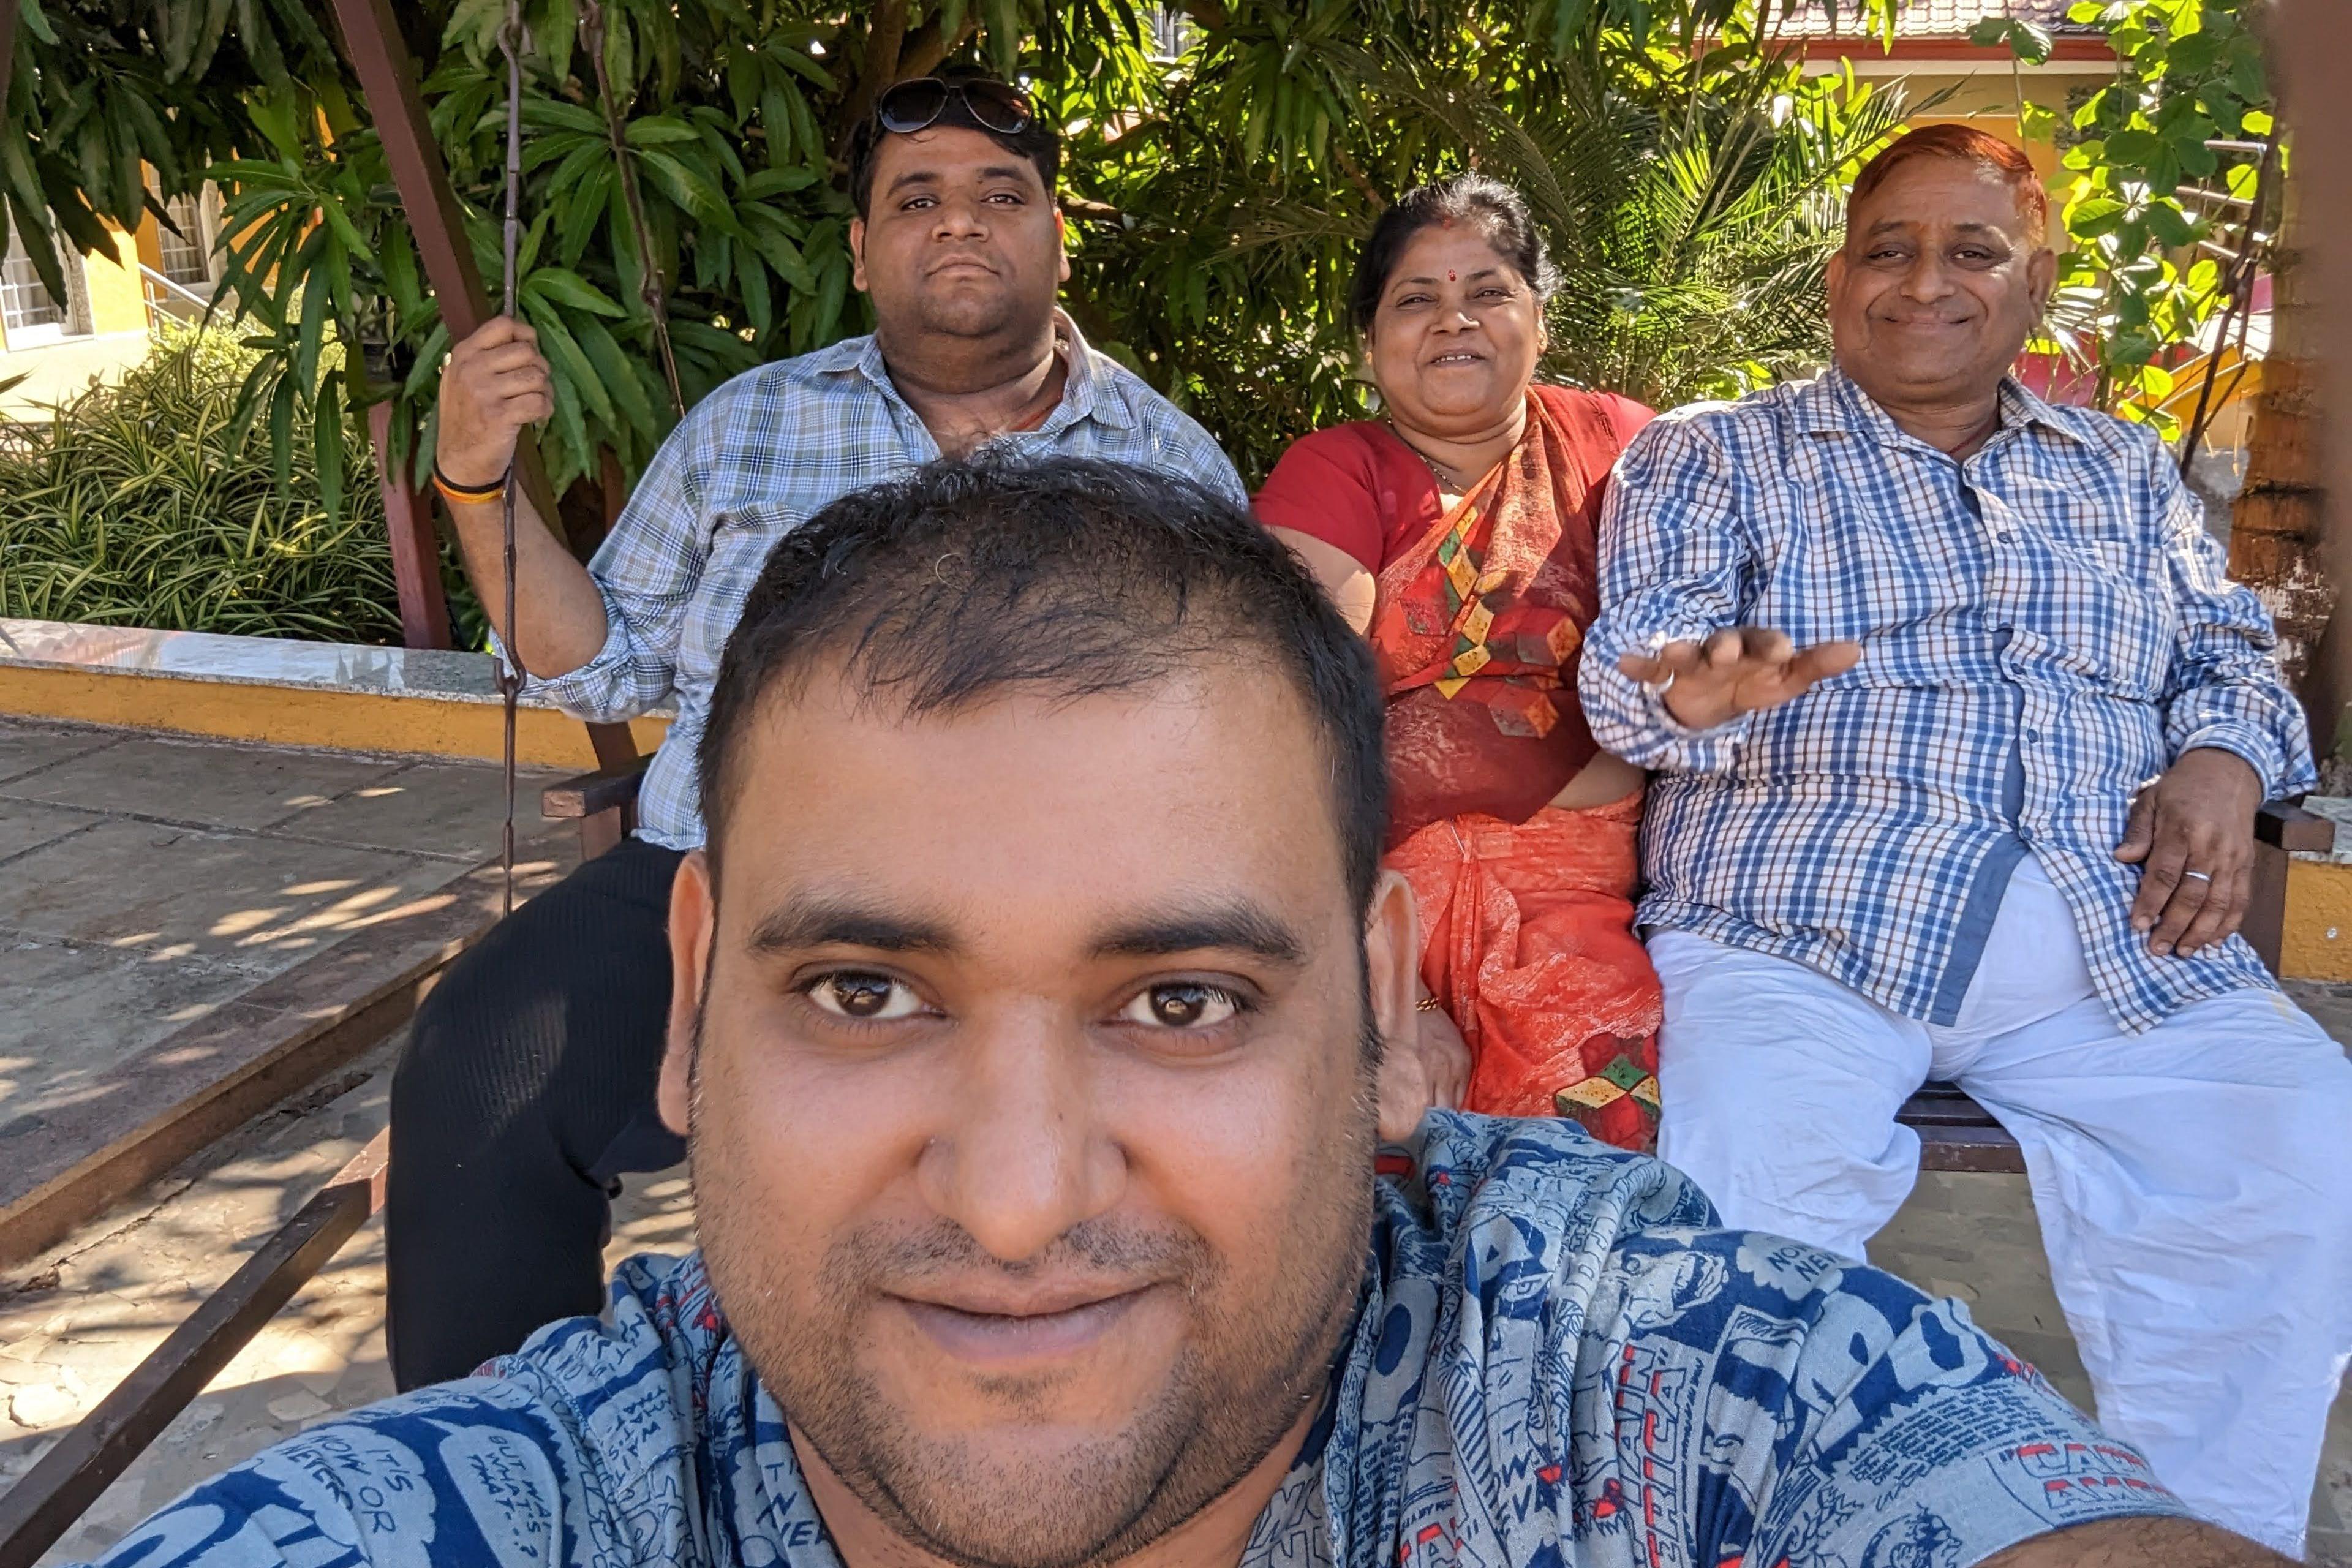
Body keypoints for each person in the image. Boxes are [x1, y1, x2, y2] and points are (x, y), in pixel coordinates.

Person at [74, 457, 2287, 1568]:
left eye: (1185, 998)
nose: (1021, 1204)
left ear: (1391, 1029)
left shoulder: (1641, 1393)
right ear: (695, 1011)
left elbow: (1916, 1470)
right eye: (864, 987)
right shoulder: (514, 1503)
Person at [388, 69, 1245, 1390]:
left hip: (1050, 914)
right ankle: (506, 1484)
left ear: (1056, 233)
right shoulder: (748, 426)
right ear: (861, 252)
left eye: (998, 195)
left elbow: (1218, 740)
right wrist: (476, 483)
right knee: (481, 1064)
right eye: (917, 199)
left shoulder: (1170, 461)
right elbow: (600, 665)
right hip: (726, 872)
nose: (958, 223)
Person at [1580, 123, 2352, 1556]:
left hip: (2113, 939)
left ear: (2035, 283)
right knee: (1747, 1197)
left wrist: (2220, 756)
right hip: (1802, 924)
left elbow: (2232, 652)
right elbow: (1639, 662)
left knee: (2299, 1136)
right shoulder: (1718, 453)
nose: (1925, 280)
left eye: (1972, 249)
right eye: (1891, 247)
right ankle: (1754, 1531)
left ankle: (2196, 1533)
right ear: (1836, 280)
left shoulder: (2121, 472)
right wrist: (1697, 684)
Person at [1255, 175, 1662, 1148]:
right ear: (1368, 343)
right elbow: (1300, 705)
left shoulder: (1620, 448)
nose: (1455, 321)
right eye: (1416, 299)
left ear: (1539, 320)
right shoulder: (1335, 470)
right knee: (1370, 1153)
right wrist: (1395, 988)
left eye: (1488, 290)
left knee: (1592, 1147)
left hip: (1580, 904)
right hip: (1371, 889)